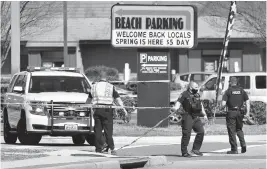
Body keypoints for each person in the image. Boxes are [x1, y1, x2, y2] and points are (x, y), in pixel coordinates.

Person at [87, 71, 128, 155]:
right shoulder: (110, 87)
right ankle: (112, 149)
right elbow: (118, 99)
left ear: (99, 78)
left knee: (98, 131)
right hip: (107, 110)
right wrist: (123, 109)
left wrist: (86, 107)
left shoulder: (94, 86)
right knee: (108, 131)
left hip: (97, 110)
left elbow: (88, 100)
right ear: (107, 78)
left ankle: (98, 149)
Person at [171, 81, 208, 157]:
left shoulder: (196, 94)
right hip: (187, 116)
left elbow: (200, 104)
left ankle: (195, 149)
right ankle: (184, 152)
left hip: (196, 116)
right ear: (190, 88)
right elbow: (178, 102)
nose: (197, 89)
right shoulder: (184, 94)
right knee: (186, 134)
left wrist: (204, 115)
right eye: (195, 87)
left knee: (201, 132)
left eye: (197, 87)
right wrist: (175, 108)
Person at [221, 77, 250, 154]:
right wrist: (247, 113)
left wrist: (222, 106)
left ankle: (234, 149)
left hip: (231, 112)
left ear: (230, 82)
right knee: (239, 129)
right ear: (236, 82)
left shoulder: (228, 91)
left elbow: (223, 104)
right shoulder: (242, 90)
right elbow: (247, 102)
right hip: (240, 113)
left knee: (231, 131)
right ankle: (243, 144)